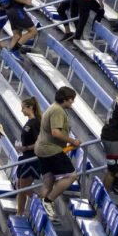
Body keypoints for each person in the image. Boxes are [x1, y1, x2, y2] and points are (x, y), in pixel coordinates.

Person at [34, 86, 81, 219]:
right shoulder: (57, 111)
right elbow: (56, 132)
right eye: (72, 100)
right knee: (71, 176)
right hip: (51, 149)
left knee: (48, 181)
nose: (72, 103)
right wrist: (73, 141)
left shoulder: (52, 107)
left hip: (42, 149)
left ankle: (43, 213)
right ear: (66, 99)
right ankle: (48, 201)